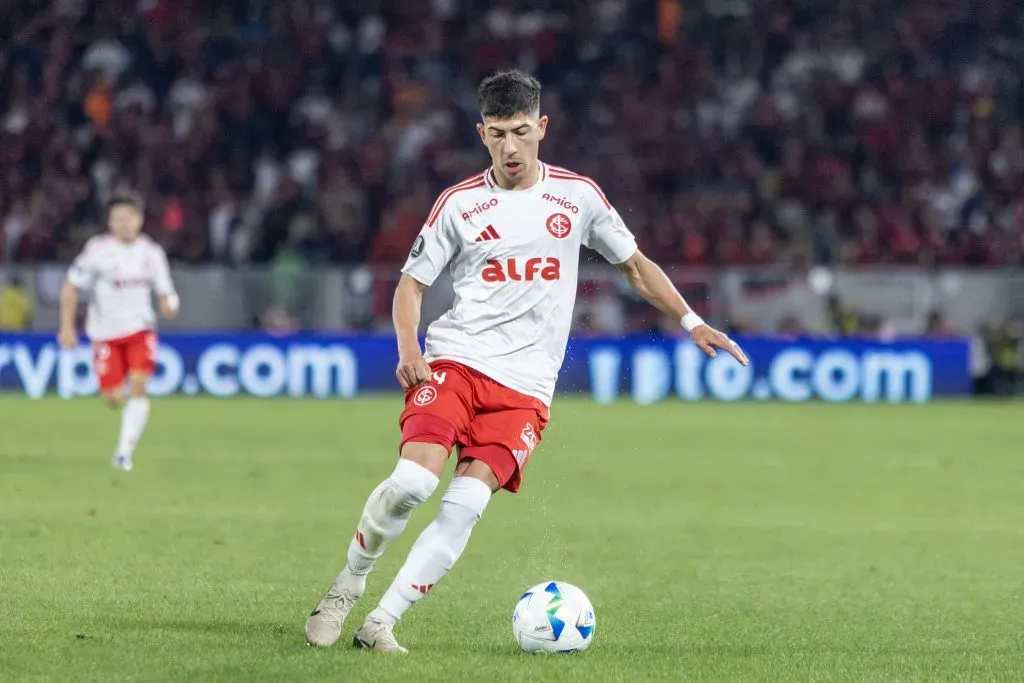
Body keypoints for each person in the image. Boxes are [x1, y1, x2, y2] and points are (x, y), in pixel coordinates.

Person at [304, 70, 747, 653]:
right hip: (457, 362)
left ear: (541, 127)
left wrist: (692, 321)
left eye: (519, 132)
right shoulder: (460, 204)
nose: (509, 147)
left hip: (526, 389)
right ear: (481, 134)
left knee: (465, 505)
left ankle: (382, 622)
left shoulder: (578, 197)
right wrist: (409, 348)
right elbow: (411, 284)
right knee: (413, 482)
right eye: (497, 135)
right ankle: (348, 584)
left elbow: (635, 266)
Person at [58, 192, 180, 471]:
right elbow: (71, 287)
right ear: (109, 222)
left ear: (140, 219)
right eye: (117, 219)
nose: (124, 224)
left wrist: (168, 305)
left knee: (139, 386)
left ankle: (123, 454)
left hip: (140, 330)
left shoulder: (152, 253)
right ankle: (120, 404)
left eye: (128, 218)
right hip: (105, 334)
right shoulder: (97, 250)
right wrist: (66, 328)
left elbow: (165, 291)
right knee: (112, 398)